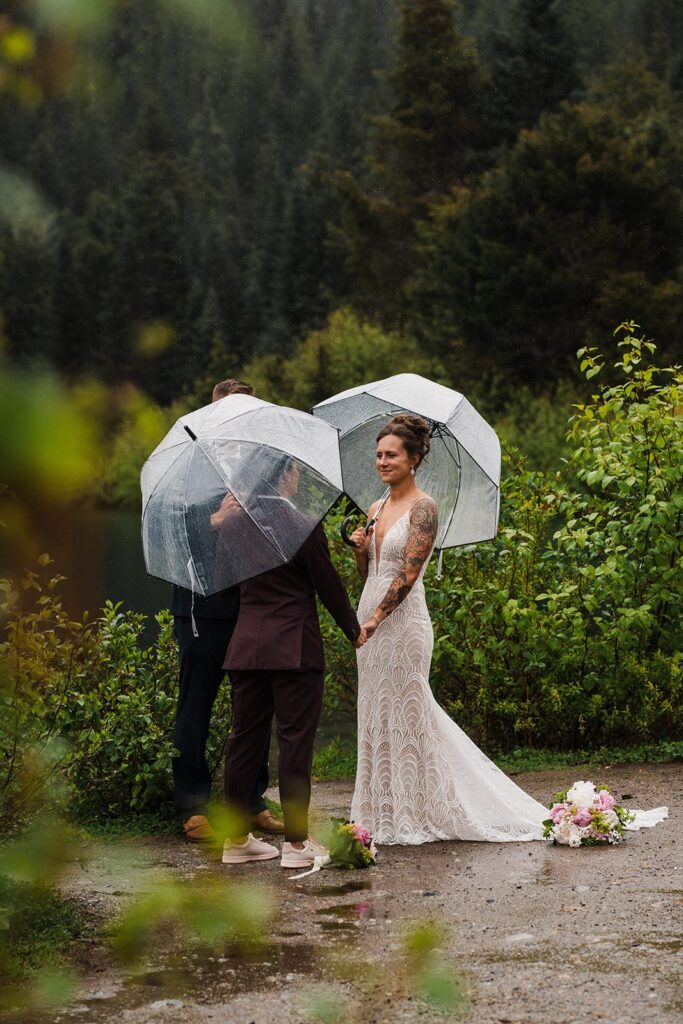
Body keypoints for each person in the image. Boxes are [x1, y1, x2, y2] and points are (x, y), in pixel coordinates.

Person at [348, 414, 554, 844]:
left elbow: (407, 575)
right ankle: (384, 811)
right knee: (375, 711)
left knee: (409, 710)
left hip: (401, 624)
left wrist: (374, 619)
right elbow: (367, 574)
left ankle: (426, 808)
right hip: (368, 615)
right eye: (379, 455)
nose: (382, 462)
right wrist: (360, 551)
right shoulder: (374, 508)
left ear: (414, 459)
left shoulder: (424, 508)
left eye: (392, 455)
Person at [221, 455, 366, 869]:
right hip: (293, 649)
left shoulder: (234, 524)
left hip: (246, 648)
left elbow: (223, 583)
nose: (299, 475)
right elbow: (329, 586)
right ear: (285, 475)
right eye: (296, 469)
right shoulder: (302, 524)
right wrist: (353, 629)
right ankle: (297, 847)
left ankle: (235, 841)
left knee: (243, 741)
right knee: (294, 743)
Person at [171, 378, 282, 842]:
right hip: (200, 608)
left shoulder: (262, 466)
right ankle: (192, 806)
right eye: (227, 411)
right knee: (195, 705)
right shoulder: (187, 466)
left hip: (251, 604)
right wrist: (217, 520)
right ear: (209, 412)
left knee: (254, 706)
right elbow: (175, 535)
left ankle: (252, 801)